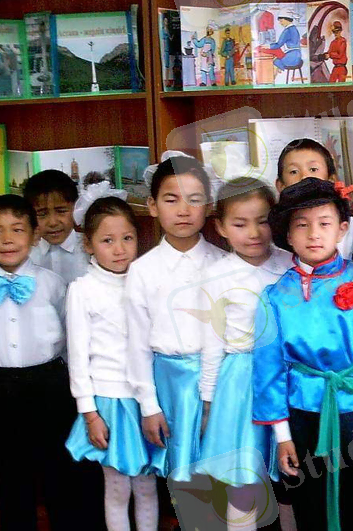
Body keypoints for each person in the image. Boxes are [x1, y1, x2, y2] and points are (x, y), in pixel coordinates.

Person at [252, 177, 353, 531]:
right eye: (302, 225)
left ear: (342, 229)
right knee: (310, 494)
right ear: (288, 235)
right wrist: (282, 436)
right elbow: (269, 369)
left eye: (324, 223)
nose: (314, 234)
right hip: (303, 410)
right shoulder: (275, 296)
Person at [0, 194, 95, 531]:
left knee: (60, 471)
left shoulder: (52, 284)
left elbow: (71, 340)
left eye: (17, 229)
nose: (6, 239)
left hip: (49, 386)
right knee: (10, 473)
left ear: (34, 235)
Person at [197, 178, 291, 530]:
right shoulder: (216, 275)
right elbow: (211, 342)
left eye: (263, 221)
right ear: (221, 227)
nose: (253, 232)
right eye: (240, 224)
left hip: (288, 375)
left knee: (291, 471)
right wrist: (208, 400)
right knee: (243, 475)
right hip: (241, 382)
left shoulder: (290, 263)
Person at [126, 153, 226, 483]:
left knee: (221, 473)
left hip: (220, 381)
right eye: (171, 200)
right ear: (152, 206)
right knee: (178, 476)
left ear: (209, 206)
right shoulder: (142, 270)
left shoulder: (225, 264)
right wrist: (149, 406)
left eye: (194, 200)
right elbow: (137, 344)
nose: (183, 210)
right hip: (167, 384)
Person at [64, 189, 158, 531]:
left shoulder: (146, 281)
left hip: (147, 400)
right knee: (117, 488)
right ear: (88, 244)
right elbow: (77, 358)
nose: (119, 249)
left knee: (147, 485)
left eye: (127, 238)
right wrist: (89, 413)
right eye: (107, 240)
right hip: (108, 402)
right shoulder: (82, 289)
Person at [276, 138, 353, 259]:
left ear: (331, 180)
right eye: (294, 171)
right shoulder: (278, 225)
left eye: (313, 169)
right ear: (281, 186)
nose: (304, 177)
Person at [25, 169, 89, 285]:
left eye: (61, 211)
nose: (53, 222)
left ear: (76, 208)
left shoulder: (91, 248)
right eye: (42, 214)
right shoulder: (25, 253)